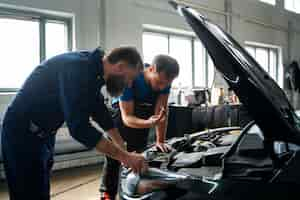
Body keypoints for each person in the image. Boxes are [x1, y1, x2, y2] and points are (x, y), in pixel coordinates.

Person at [1, 46, 149, 200]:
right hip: (21, 133)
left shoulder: (94, 71)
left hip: (43, 135)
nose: (129, 85)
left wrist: (120, 143)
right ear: (120, 67)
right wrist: (125, 157)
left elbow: (98, 109)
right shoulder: (76, 68)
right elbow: (79, 128)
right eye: (130, 79)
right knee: (26, 193)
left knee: (40, 190)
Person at [99, 55, 179, 200]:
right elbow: (127, 118)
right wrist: (149, 123)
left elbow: (161, 114)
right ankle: (107, 194)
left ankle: (133, 194)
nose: (162, 87)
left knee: (138, 157)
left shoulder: (165, 80)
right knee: (115, 158)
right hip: (121, 117)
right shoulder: (131, 77)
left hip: (143, 119)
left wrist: (160, 140)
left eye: (166, 84)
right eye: (159, 82)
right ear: (151, 69)